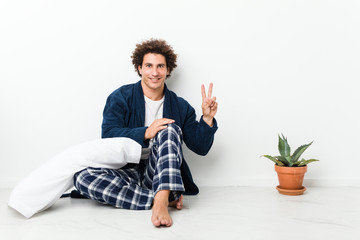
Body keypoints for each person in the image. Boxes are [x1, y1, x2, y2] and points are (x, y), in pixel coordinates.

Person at [73, 39, 218, 227]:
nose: (155, 72)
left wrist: (207, 119)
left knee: (170, 129)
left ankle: (160, 200)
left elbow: (200, 147)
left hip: (160, 172)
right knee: (82, 177)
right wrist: (146, 132)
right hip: (126, 171)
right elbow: (108, 136)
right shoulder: (121, 97)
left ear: (168, 70)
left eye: (160, 66)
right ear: (139, 68)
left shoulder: (181, 106)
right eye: (149, 66)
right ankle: (161, 198)